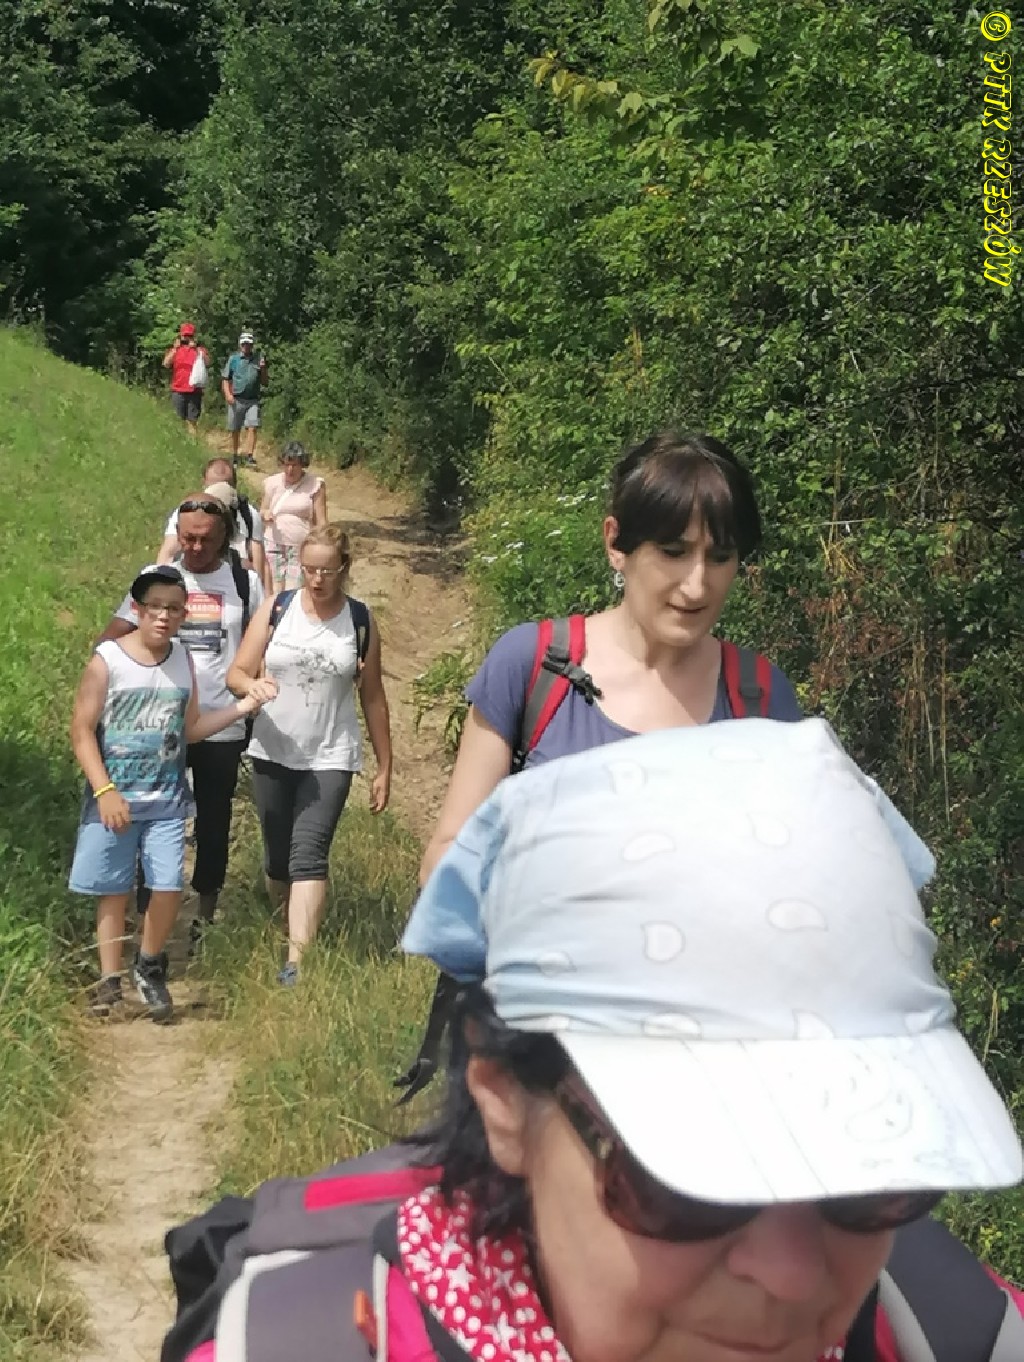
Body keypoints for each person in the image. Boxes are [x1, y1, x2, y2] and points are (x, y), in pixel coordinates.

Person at [166, 720, 1024, 1362]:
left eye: (870, 1175)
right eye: (684, 1182)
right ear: (503, 1097)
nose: (793, 1275)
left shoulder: (952, 1328)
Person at [420, 429, 802, 883]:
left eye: (720, 557)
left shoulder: (761, 697)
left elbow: (793, 876)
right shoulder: (533, 666)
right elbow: (447, 857)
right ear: (616, 545)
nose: (698, 586)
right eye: (673, 552)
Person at [70, 565, 265, 1021]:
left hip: (167, 800)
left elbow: (191, 728)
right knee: (113, 891)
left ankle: (149, 965)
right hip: (115, 799)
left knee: (167, 885)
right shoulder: (107, 660)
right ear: (136, 609)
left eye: (174, 609)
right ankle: (109, 982)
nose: (164, 616)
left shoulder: (183, 660)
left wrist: (243, 707)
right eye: (155, 607)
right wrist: (104, 790)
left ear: (183, 615)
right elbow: (81, 731)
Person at [97, 496, 268, 946]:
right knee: (149, 815)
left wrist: (256, 691)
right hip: (158, 726)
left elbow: (262, 645)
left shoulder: (245, 584)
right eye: (187, 537)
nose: (194, 547)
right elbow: (113, 638)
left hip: (222, 723)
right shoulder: (157, 579)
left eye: (205, 539)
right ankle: (146, 912)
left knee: (214, 820)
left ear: (225, 537)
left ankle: (205, 914)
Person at [226, 524, 392, 984]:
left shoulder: (359, 620)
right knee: (278, 859)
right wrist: (252, 685)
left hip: (331, 754)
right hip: (272, 747)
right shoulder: (276, 609)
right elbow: (236, 672)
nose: (317, 579)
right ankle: (289, 923)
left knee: (309, 854)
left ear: (345, 568)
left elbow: (373, 696)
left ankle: (296, 962)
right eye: (309, 569)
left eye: (328, 571)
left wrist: (385, 766)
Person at [157, 456, 268, 582]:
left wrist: (255, 587)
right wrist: (161, 581)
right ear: (204, 484)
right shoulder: (187, 512)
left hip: (234, 581)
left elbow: (259, 561)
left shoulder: (248, 515)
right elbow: (168, 552)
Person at [259, 440, 328, 594]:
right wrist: (265, 514)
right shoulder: (272, 483)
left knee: (294, 591)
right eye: (286, 464)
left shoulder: (315, 485)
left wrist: (323, 545)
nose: (290, 470)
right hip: (273, 545)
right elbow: (263, 509)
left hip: (299, 547)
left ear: (302, 464)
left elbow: (321, 520)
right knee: (273, 591)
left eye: (294, 465)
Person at [221, 329, 268, 467]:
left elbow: (265, 382)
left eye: (248, 344)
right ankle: (235, 455)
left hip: (252, 400)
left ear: (252, 345)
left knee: (252, 427)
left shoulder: (258, 360)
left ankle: (249, 456)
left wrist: (263, 369)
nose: (246, 346)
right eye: (244, 344)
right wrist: (228, 394)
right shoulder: (234, 359)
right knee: (235, 429)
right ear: (240, 344)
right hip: (236, 399)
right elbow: (225, 379)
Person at [163, 323, 210, 438]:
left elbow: (208, 362)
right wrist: (175, 348)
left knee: (192, 420)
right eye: (185, 336)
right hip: (178, 389)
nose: (187, 338)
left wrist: (197, 349)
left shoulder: (199, 350)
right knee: (177, 419)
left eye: (189, 336)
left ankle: (193, 441)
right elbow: (166, 363)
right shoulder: (175, 350)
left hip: (194, 390)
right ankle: (178, 441)